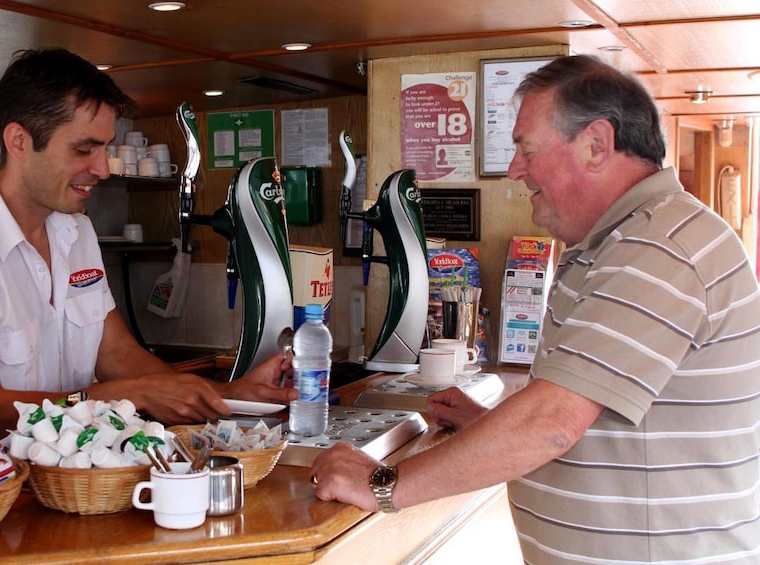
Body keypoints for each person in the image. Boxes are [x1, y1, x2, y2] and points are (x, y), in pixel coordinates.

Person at [310, 54, 760, 563]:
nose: (514, 169)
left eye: (525, 148)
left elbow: (553, 422)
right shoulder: (623, 240)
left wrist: (380, 484)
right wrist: (490, 425)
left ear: (596, 145)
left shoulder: (655, 246)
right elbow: (584, 412)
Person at [0, 48, 296, 442]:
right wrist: (132, 395)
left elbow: (116, 354)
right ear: (18, 141)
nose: (101, 169)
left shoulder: (75, 231)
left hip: (73, 488)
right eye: (84, 149)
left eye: (105, 148)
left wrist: (225, 395)